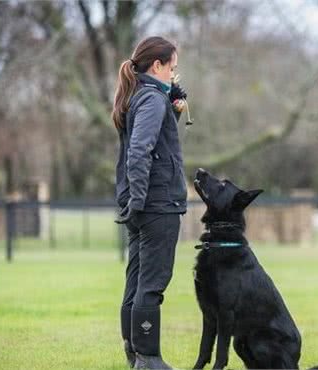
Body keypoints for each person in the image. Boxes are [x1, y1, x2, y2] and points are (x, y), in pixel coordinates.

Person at [112, 36, 188, 369]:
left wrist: (172, 105)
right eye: (172, 67)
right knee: (152, 285)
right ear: (157, 66)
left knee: (137, 281)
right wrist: (141, 199)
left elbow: (158, 148)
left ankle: (134, 353)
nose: (175, 74)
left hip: (143, 204)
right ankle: (148, 358)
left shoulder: (142, 97)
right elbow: (139, 152)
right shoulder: (152, 100)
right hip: (156, 205)